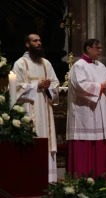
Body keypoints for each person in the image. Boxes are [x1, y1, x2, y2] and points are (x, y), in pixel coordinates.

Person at [66, 39, 106, 178]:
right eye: (97, 48)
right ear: (88, 49)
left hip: (100, 112)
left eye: (101, 48)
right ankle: (84, 176)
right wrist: (101, 86)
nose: (100, 50)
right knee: (86, 146)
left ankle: (101, 175)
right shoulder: (78, 66)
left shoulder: (100, 65)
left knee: (100, 143)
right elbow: (80, 86)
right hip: (85, 113)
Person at [13, 34, 59, 182]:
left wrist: (48, 87)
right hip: (28, 106)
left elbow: (56, 84)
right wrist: (36, 86)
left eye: (40, 40)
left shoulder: (46, 63)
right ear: (27, 44)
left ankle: (50, 180)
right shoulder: (20, 64)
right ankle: (31, 179)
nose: (39, 43)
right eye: (35, 41)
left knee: (47, 139)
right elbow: (15, 87)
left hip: (45, 107)